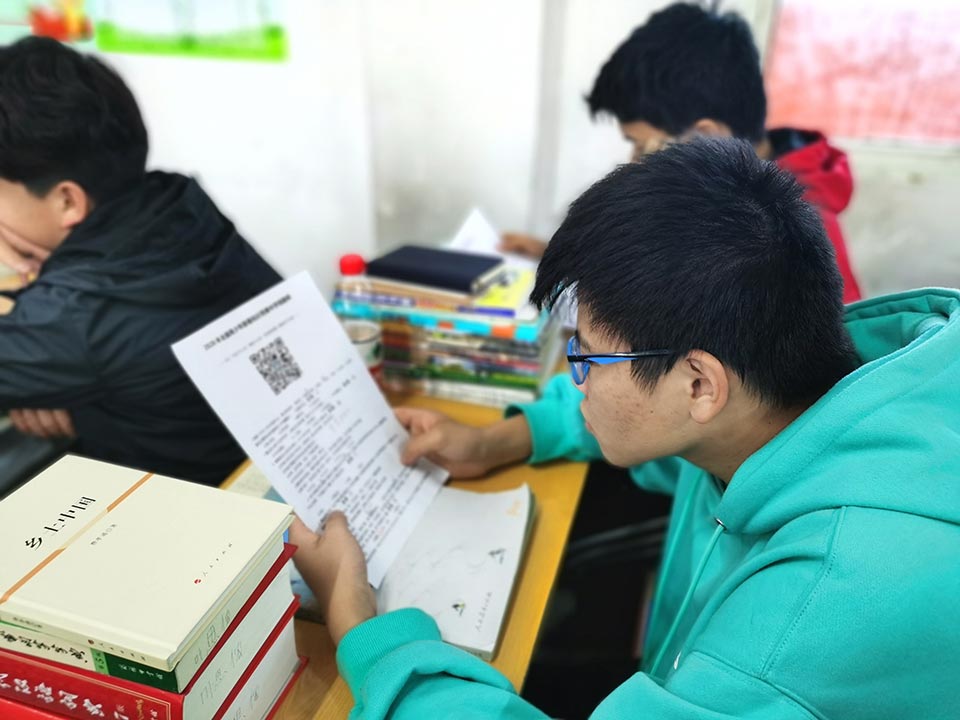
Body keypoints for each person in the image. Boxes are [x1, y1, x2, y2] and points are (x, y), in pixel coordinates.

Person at [290, 137, 960, 718]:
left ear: (699, 385)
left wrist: (362, 628)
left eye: (586, 356)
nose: (575, 378)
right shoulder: (797, 404)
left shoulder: (810, 615)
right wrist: (499, 439)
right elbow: (665, 440)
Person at [0, 37, 280, 485]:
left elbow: (82, 330)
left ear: (68, 201)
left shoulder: (74, 316)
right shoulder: (181, 206)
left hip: (185, 512)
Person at [503, 2, 862, 304]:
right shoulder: (725, 190)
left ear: (705, 136)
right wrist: (560, 260)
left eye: (643, 145)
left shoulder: (785, 236)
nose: (634, 162)